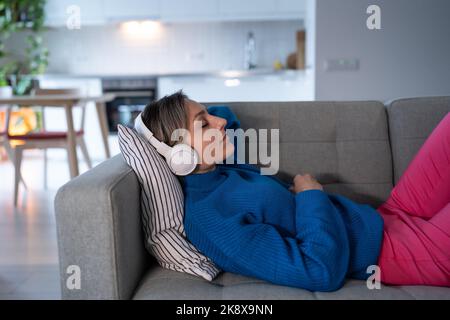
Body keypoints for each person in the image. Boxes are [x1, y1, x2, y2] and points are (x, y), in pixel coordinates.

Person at [138, 91, 450, 291]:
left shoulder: (216, 169)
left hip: (390, 215)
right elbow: (319, 272)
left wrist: (194, 119)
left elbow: (227, 116)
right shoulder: (210, 220)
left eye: (208, 114)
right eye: (203, 123)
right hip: (392, 253)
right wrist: (310, 196)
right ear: (179, 155)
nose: (218, 122)